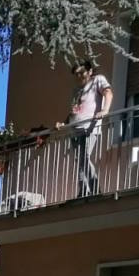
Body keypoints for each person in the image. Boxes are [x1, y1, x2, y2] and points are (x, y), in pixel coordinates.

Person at [56, 58, 112, 197]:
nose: (79, 76)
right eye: (76, 74)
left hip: (89, 127)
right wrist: (64, 123)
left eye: (82, 73)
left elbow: (108, 92)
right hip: (75, 129)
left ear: (90, 71)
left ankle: (94, 190)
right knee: (80, 160)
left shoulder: (97, 80)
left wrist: (105, 110)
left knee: (83, 158)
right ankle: (83, 191)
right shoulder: (76, 91)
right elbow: (74, 112)